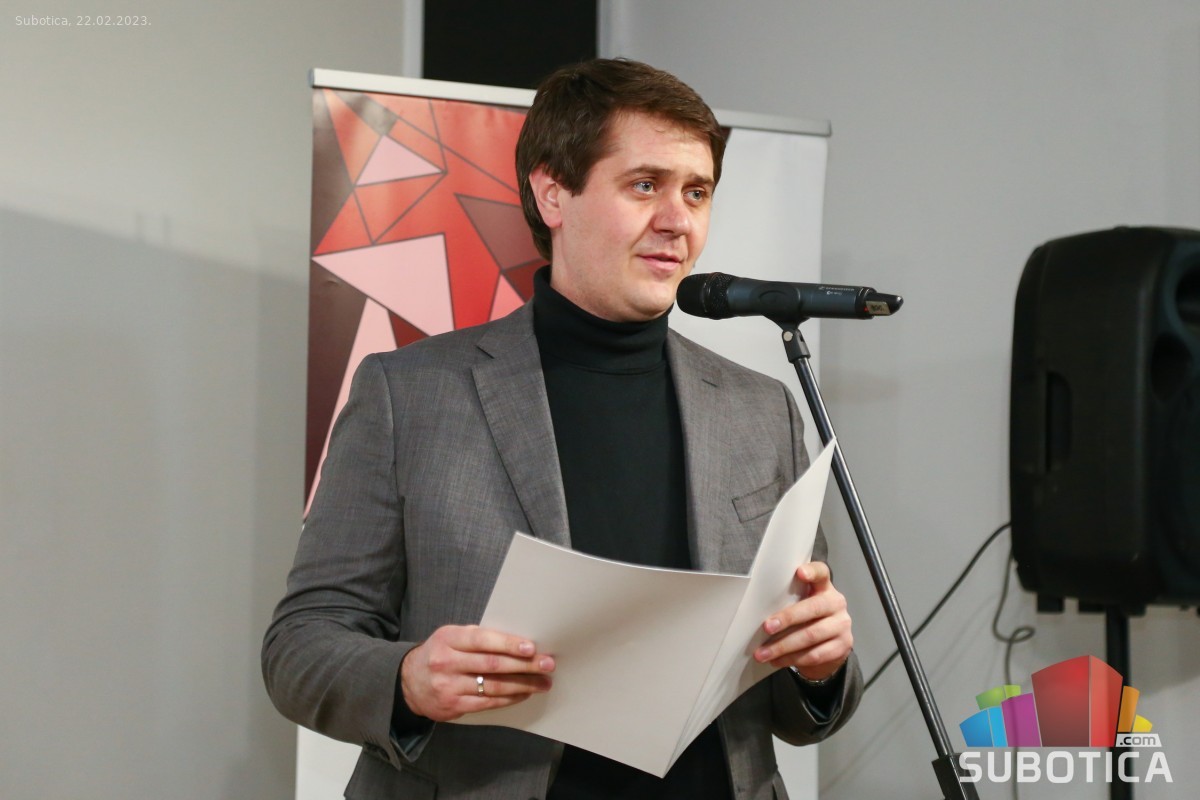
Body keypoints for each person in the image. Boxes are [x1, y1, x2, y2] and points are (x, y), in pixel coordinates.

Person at [263, 58, 862, 800]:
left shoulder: (759, 408)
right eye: (644, 185)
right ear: (552, 193)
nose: (678, 221)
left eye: (697, 191)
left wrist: (818, 667)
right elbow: (301, 646)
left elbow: (801, 704)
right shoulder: (409, 394)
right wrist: (408, 678)